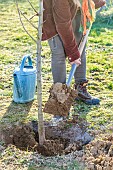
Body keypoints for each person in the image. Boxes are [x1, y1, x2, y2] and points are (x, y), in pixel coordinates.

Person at [42, 0, 106, 105]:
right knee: (59, 55)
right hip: (54, 20)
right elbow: (63, 24)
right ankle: (59, 98)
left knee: (80, 50)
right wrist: (73, 55)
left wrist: (97, 2)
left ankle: (80, 90)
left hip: (76, 13)